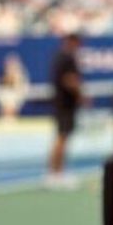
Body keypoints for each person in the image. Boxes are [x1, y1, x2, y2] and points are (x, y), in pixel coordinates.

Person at [45, 33, 83, 189]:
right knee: (62, 137)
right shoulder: (67, 58)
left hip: (61, 103)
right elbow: (70, 80)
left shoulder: (59, 57)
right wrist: (81, 95)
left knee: (62, 137)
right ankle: (56, 174)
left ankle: (56, 172)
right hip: (65, 105)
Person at [0, 52, 30, 124]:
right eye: (9, 63)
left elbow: (23, 90)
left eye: (14, 64)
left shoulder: (21, 76)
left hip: (16, 95)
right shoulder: (1, 76)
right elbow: (0, 90)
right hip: (6, 96)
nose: (11, 66)